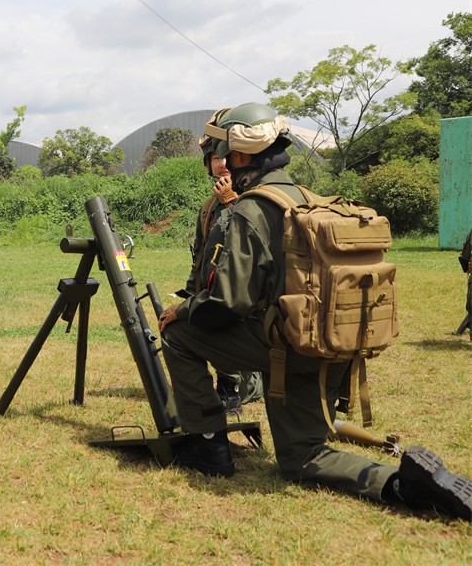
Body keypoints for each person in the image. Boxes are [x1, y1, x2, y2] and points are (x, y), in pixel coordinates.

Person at [158, 102, 471, 521]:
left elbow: (228, 303)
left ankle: (208, 445)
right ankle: (402, 485)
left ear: (242, 154)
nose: (220, 161)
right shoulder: (306, 198)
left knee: (178, 335)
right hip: (333, 346)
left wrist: (182, 310)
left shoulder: (251, 209)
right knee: (304, 456)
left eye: (224, 152)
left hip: (290, 349)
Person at [185, 128, 263, 415]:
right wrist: (190, 296)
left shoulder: (256, 199)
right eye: (216, 157)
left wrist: (231, 203)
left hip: (247, 297)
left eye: (228, 156)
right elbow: (200, 257)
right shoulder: (209, 207)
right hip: (213, 289)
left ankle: (231, 388)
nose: (223, 163)